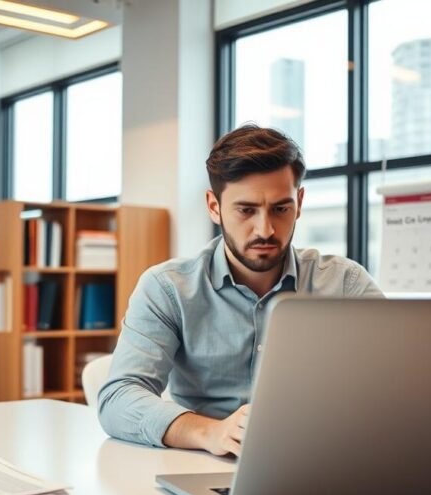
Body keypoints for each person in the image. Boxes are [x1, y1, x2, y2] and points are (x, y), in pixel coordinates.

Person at [97, 124, 383, 456]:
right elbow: (119, 397)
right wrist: (210, 432)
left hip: (320, 459)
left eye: (281, 208)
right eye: (246, 210)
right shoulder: (168, 288)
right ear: (214, 206)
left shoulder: (345, 284)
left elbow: (400, 382)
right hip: (205, 462)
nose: (265, 229)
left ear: (300, 202)